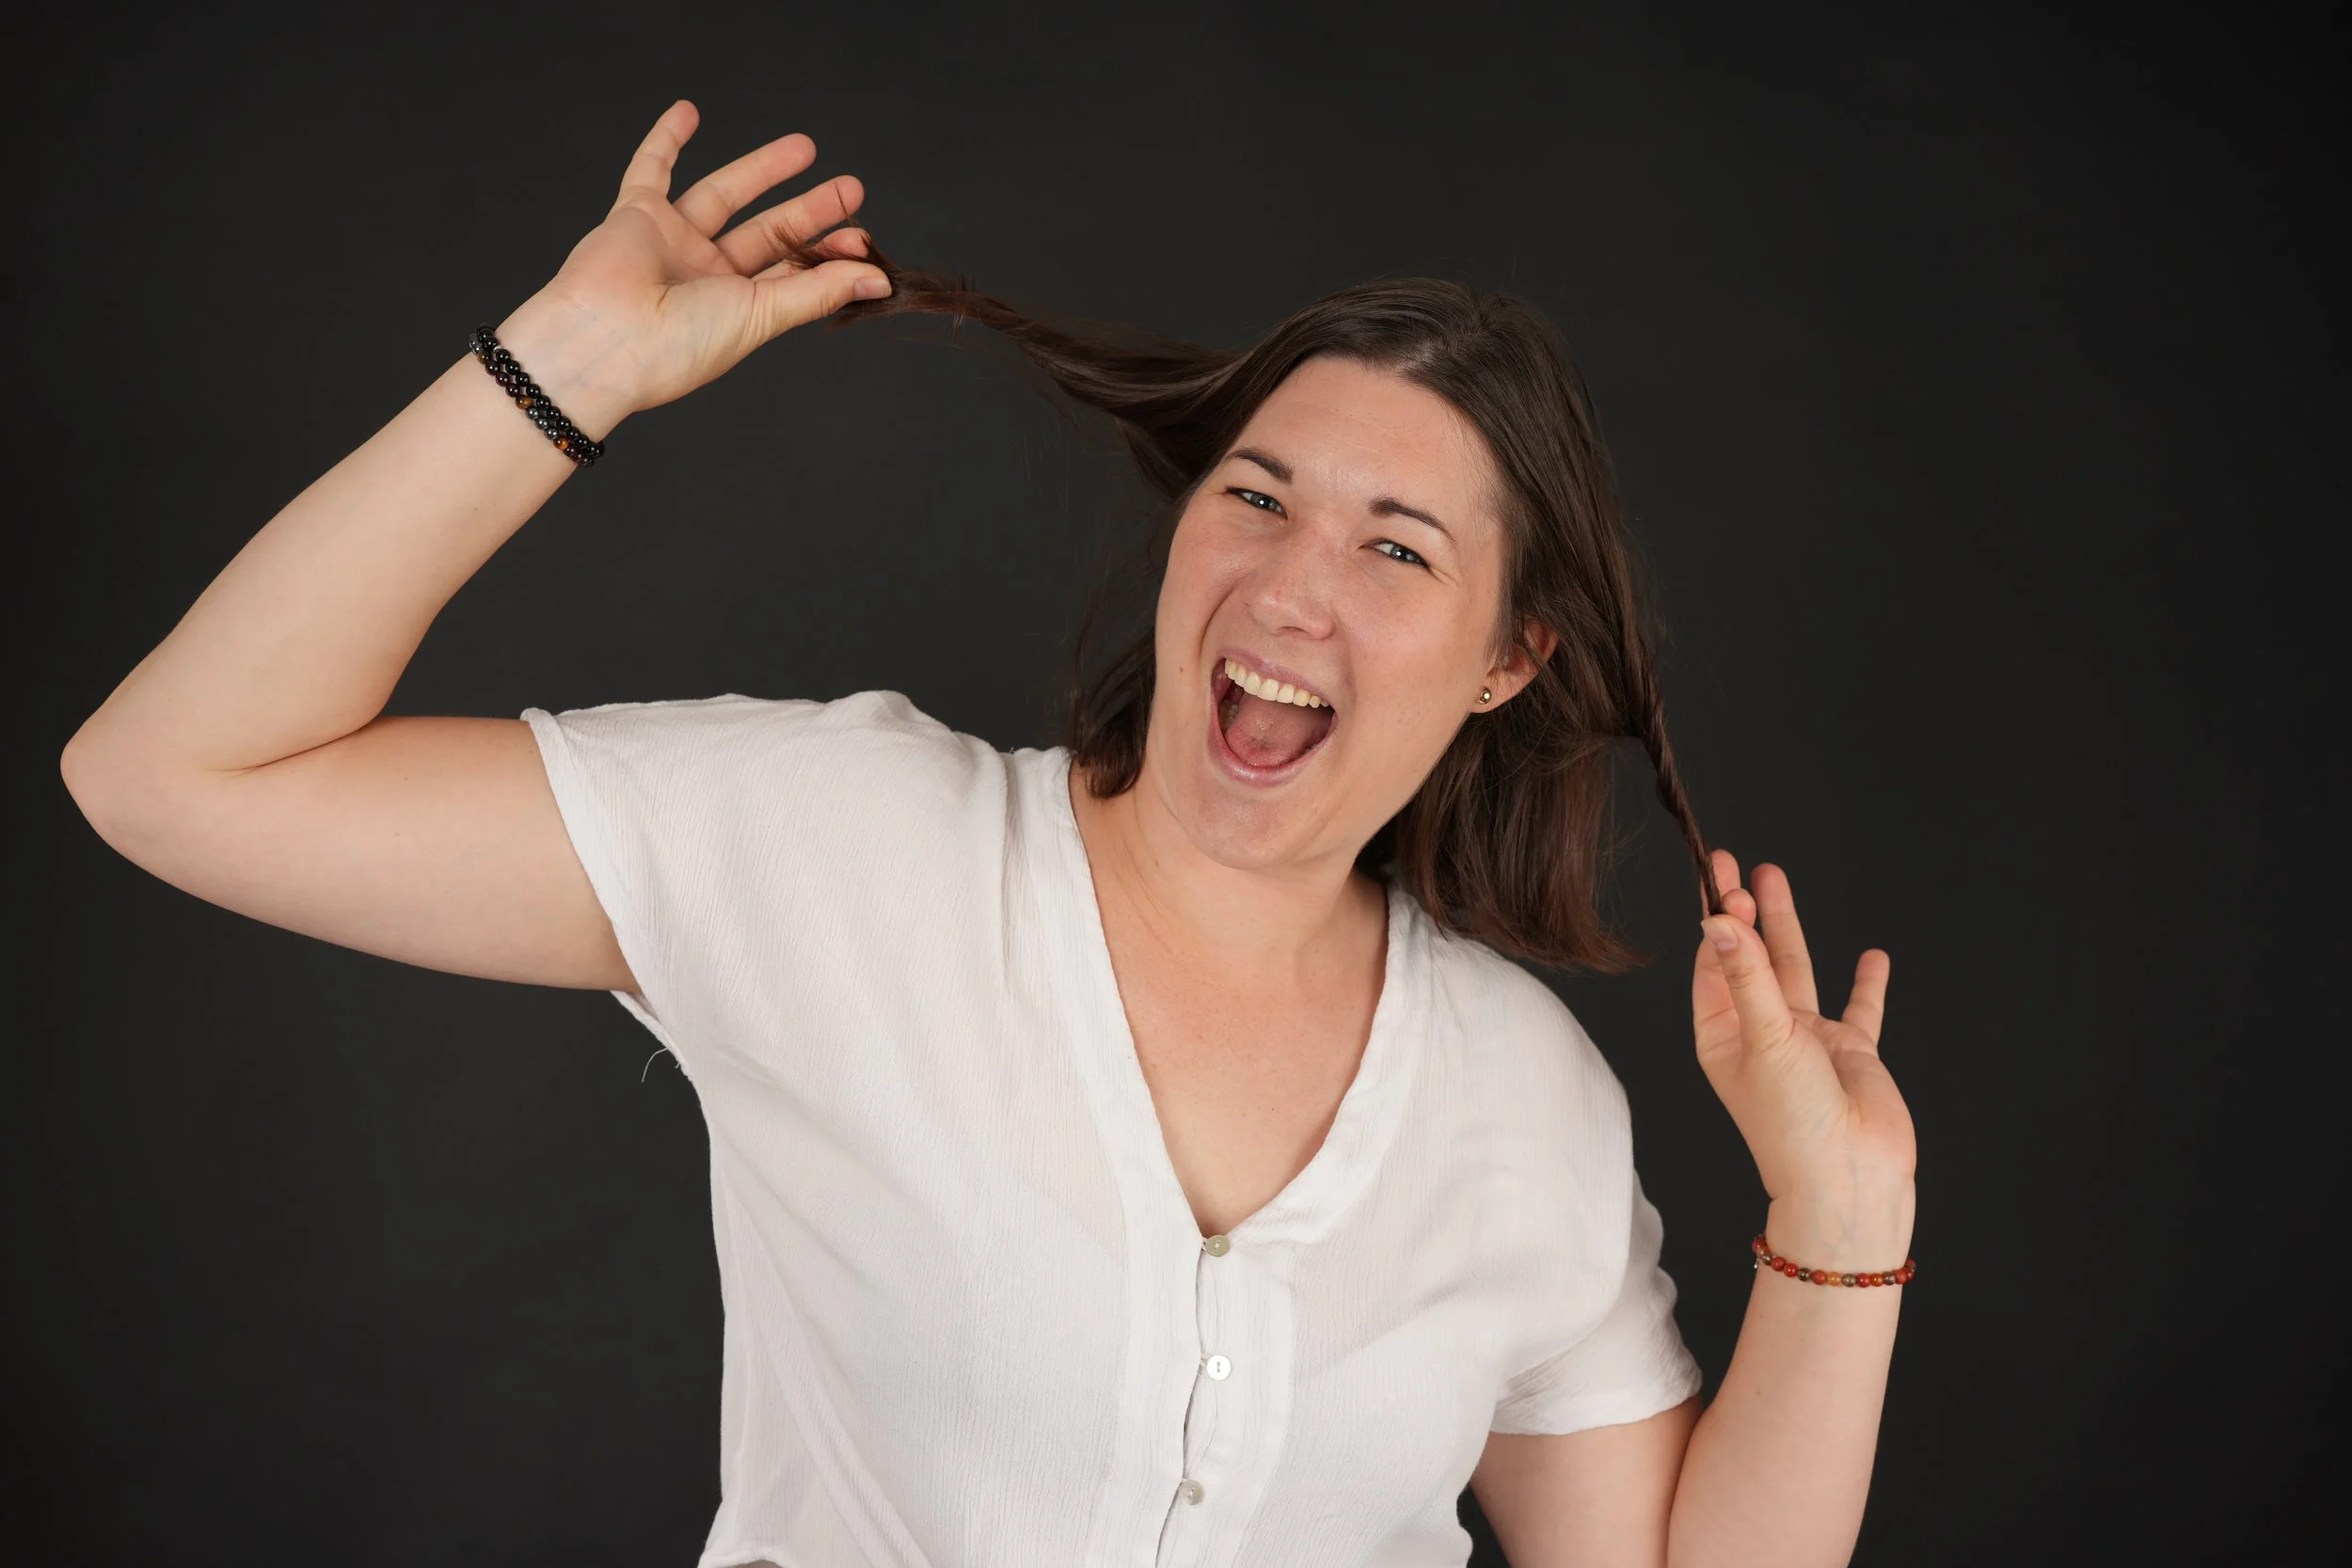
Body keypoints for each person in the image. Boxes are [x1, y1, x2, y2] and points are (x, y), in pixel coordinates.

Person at [59, 100, 1917, 1568]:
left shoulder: (1523, 1106)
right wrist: (568, 364)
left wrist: (1838, 1216)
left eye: (1393, 545)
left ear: (1509, 656)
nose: (1286, 581)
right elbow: (176, 775)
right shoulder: (845, 845)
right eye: (1254, 495)